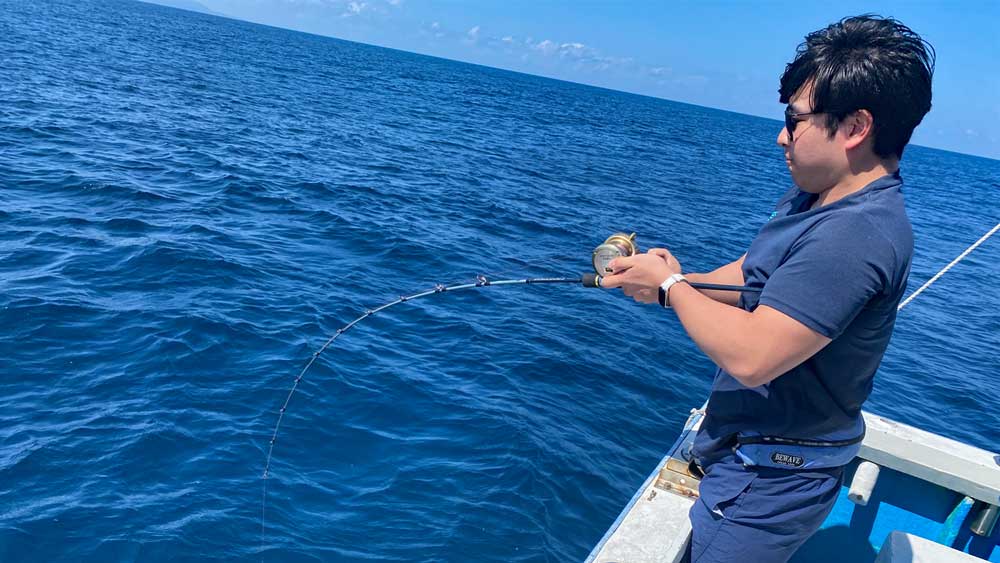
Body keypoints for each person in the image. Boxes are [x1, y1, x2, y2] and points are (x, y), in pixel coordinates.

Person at [599, 15, 935, 563]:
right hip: (748, 459)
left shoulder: (857, 234)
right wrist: (677, 277)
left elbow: (755, 356)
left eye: (795, 119)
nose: (782, 135)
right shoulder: (816, 197)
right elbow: (756, 275)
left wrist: (670, 288)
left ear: (855, 127)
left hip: (774, 480)